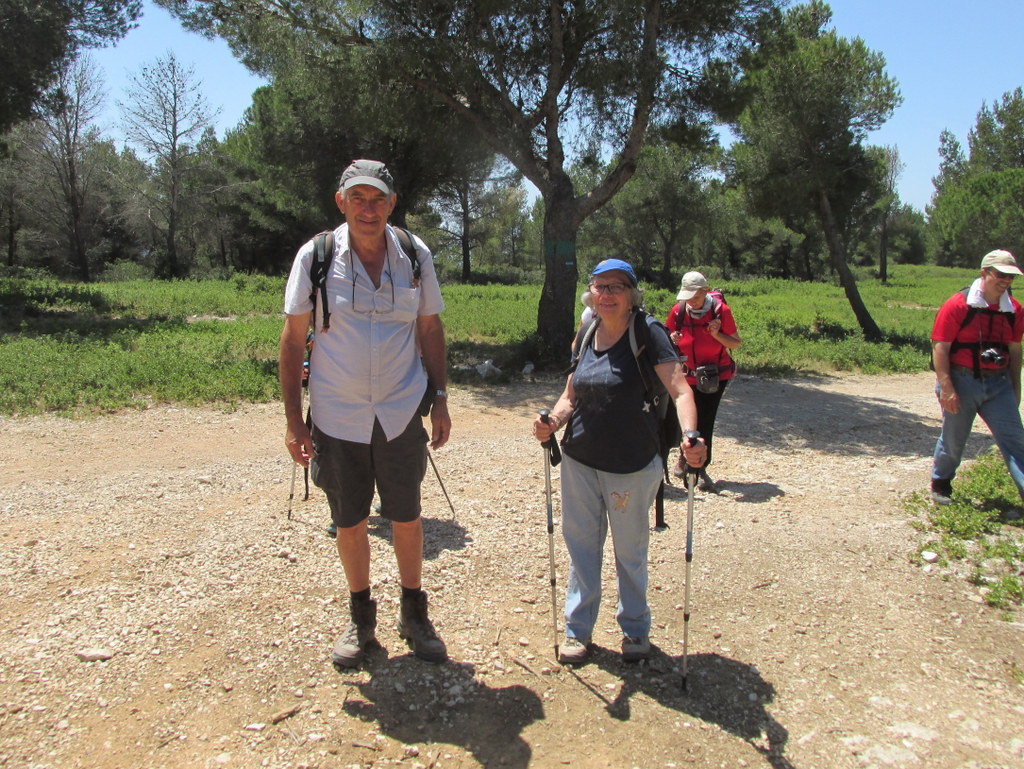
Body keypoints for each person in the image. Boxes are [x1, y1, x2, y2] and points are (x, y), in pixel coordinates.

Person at [279, 159, 451, 667]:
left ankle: (414, 614)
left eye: (377, 199)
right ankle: (361, 620)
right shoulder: (316, 257)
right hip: (337, 414)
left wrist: (440, 397)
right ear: (341, 202)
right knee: (349, 520)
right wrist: (293, 421)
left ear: (392, 204)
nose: (368, 209)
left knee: (407, 516)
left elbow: (431, 330)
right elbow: (292, 342)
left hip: (400, 410)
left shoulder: (414, 255)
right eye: (358, 198)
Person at [532, 259, 707, 666]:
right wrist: (553, 421)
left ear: (631, 295)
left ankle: (634, 630)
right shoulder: (587, 331)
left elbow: (680, 391)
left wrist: (691, 436)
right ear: (590, 293)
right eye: (599, 286)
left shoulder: (648, 333)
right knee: (581, 550)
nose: (607, 294)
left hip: (630, 464)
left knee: (630, 552)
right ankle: (577, 631)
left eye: (616, 287)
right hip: (579, 460)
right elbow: (571, 394)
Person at [930, 249, 1024, 506]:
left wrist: (1016, 387)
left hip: (999, 383)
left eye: (1011, 277)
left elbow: (1015, 349)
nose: (1006, 281)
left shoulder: (1014, 309)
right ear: (985, 273)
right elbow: (940, 347)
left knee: (1016, 439)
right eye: (1000, 274)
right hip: (962, 380)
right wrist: (947, 387)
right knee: (954, 437)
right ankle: (941, 484)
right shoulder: (958, 304)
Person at [665, 271, 741, 492]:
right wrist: (672, 340)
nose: (690, 300)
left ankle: (699, 467)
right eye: (687, 296)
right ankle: (684, 457)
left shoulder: (721, 311)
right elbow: (665, 339)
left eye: (694, 296)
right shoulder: (678, 311)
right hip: (685, 375)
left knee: (705, 420)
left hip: (714, 376)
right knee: (687, 421)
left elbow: (735, 343)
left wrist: (717, 334)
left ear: (705, 291)